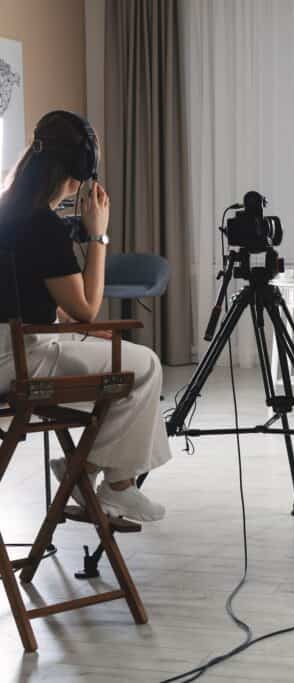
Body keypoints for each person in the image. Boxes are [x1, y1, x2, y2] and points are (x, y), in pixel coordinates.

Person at [0, 110, 171, 522]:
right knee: (143, 365)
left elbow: (26, 294)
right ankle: (109, 482)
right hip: (19, 362)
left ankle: (87, 470)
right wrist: (98, 235)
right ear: (79, 174)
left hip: (11, 348)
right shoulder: (42, 224)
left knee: (120, 359)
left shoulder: (6, 210)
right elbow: (87, 310)